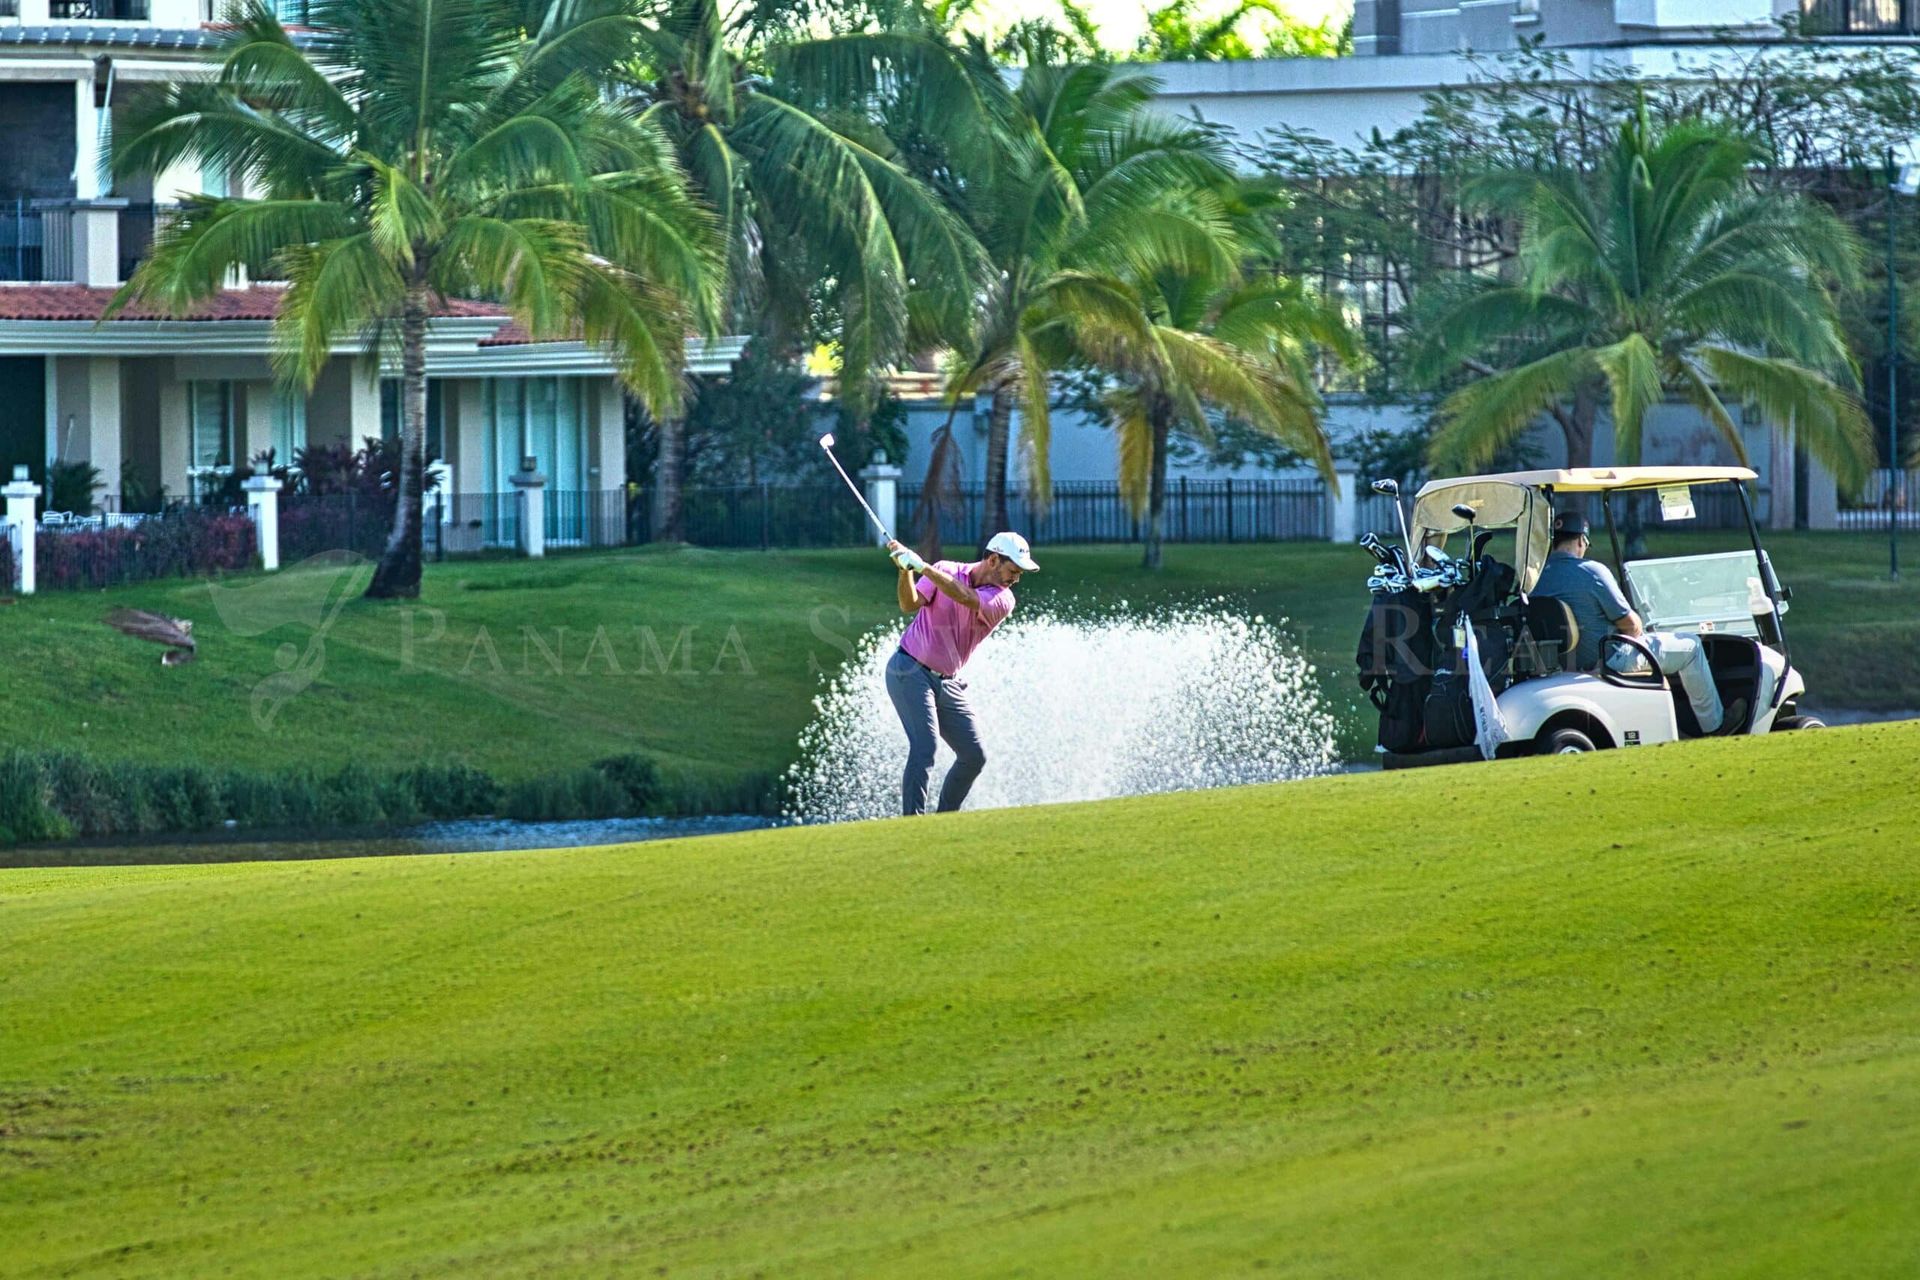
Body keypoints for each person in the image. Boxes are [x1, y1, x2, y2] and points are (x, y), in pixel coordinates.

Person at [1533, 511, 1744, 735]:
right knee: (1691, 646)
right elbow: (1632, 625)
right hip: (1609, 658)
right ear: (1580, 541)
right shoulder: (1591, 572)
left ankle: (1679, 729)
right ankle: (1716, 726)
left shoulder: (1536, 578)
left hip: (1564, 665)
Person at [881, 531, 1038, 815]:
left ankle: (945, 820)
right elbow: (908, 604)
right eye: (1012, 571)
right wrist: (905, 571)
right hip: (908, 669)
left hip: (948, 683)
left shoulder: (1003, 600)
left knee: (973, 756)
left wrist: (922, 567)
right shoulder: (946, 570)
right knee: (925, 747)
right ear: (993, 560)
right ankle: (912, 825)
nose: (1015, 579)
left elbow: (965, 596)